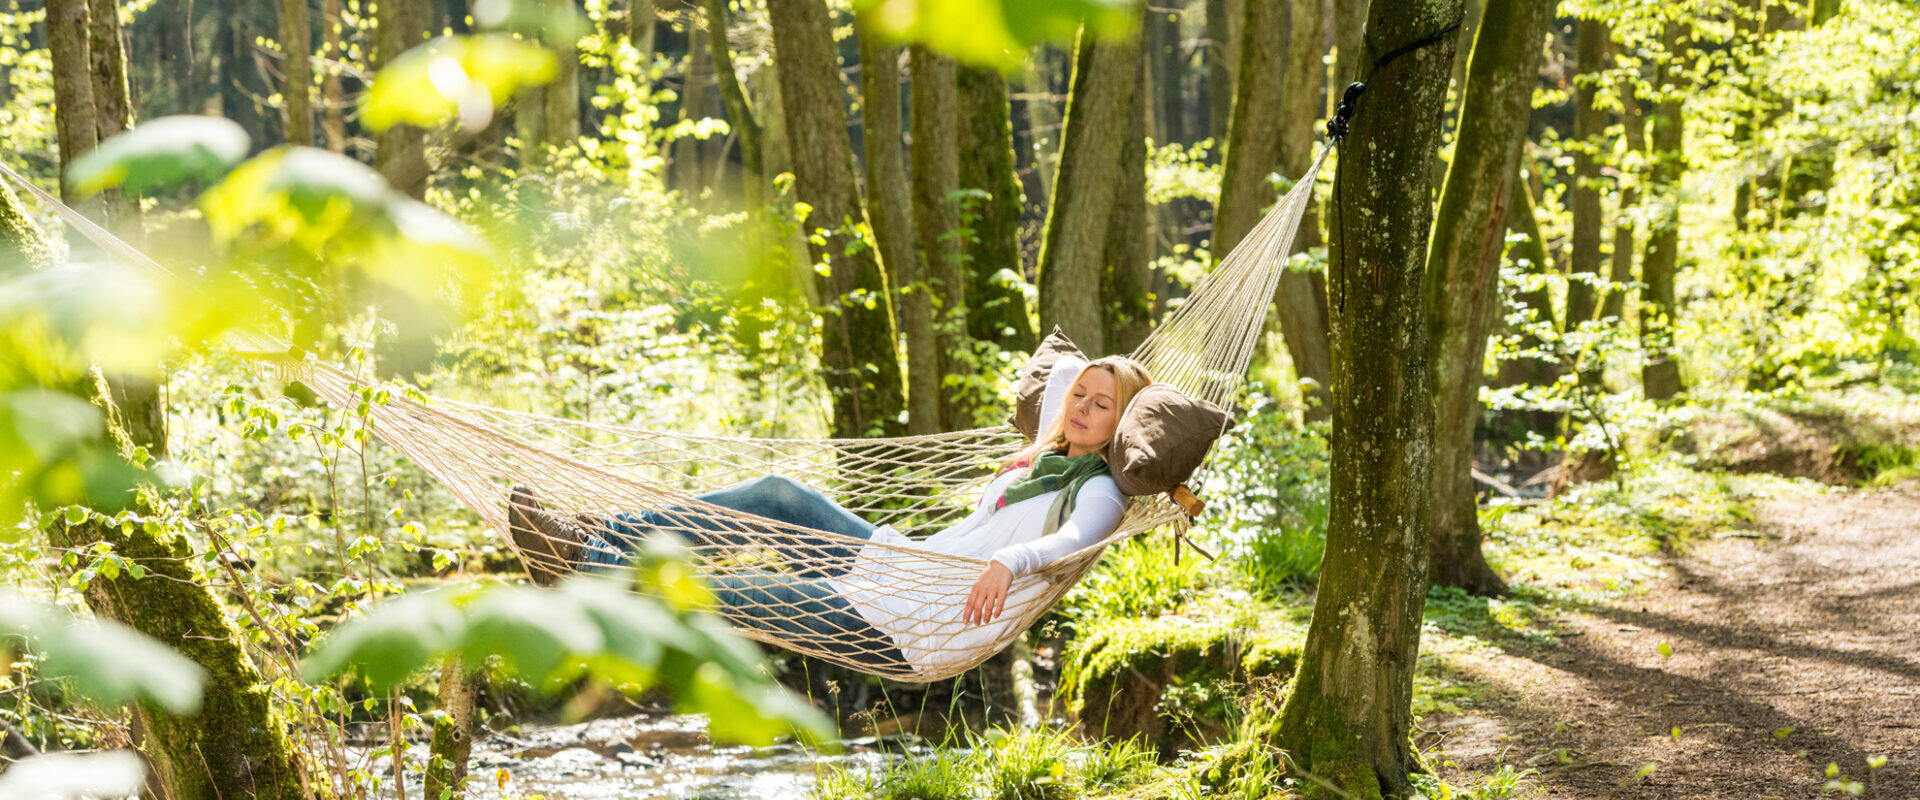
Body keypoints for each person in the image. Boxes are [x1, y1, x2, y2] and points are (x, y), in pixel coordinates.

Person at [506, 354, 1153, 674]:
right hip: (901, 569)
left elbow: (1077, 537)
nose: (1083, 406)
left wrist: (1011, 561)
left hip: (915, 624)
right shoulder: (1040, 458)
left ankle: (586, 577)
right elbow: (1063, 367)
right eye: (1079, 395)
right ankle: (597, 545)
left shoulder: (1096, 489)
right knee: (779, 495)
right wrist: (1093, 382)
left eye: (1104, 405)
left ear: (1123, 426)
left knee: (727, 593)